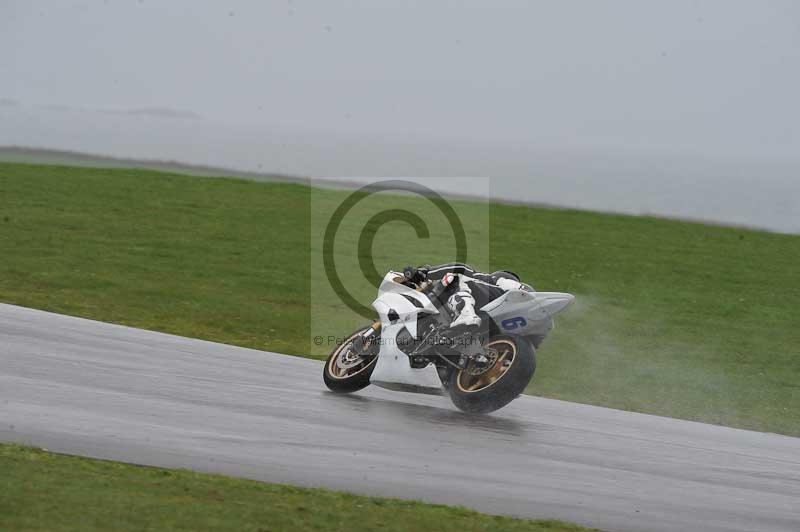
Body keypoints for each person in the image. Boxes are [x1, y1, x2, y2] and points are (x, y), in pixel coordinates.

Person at [402, 263, 529, 330]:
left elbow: (461, 268)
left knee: (457, 277)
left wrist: (427, 273)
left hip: (503, 303)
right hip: (494, 323)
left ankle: (466, 314)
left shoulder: (490, 280)